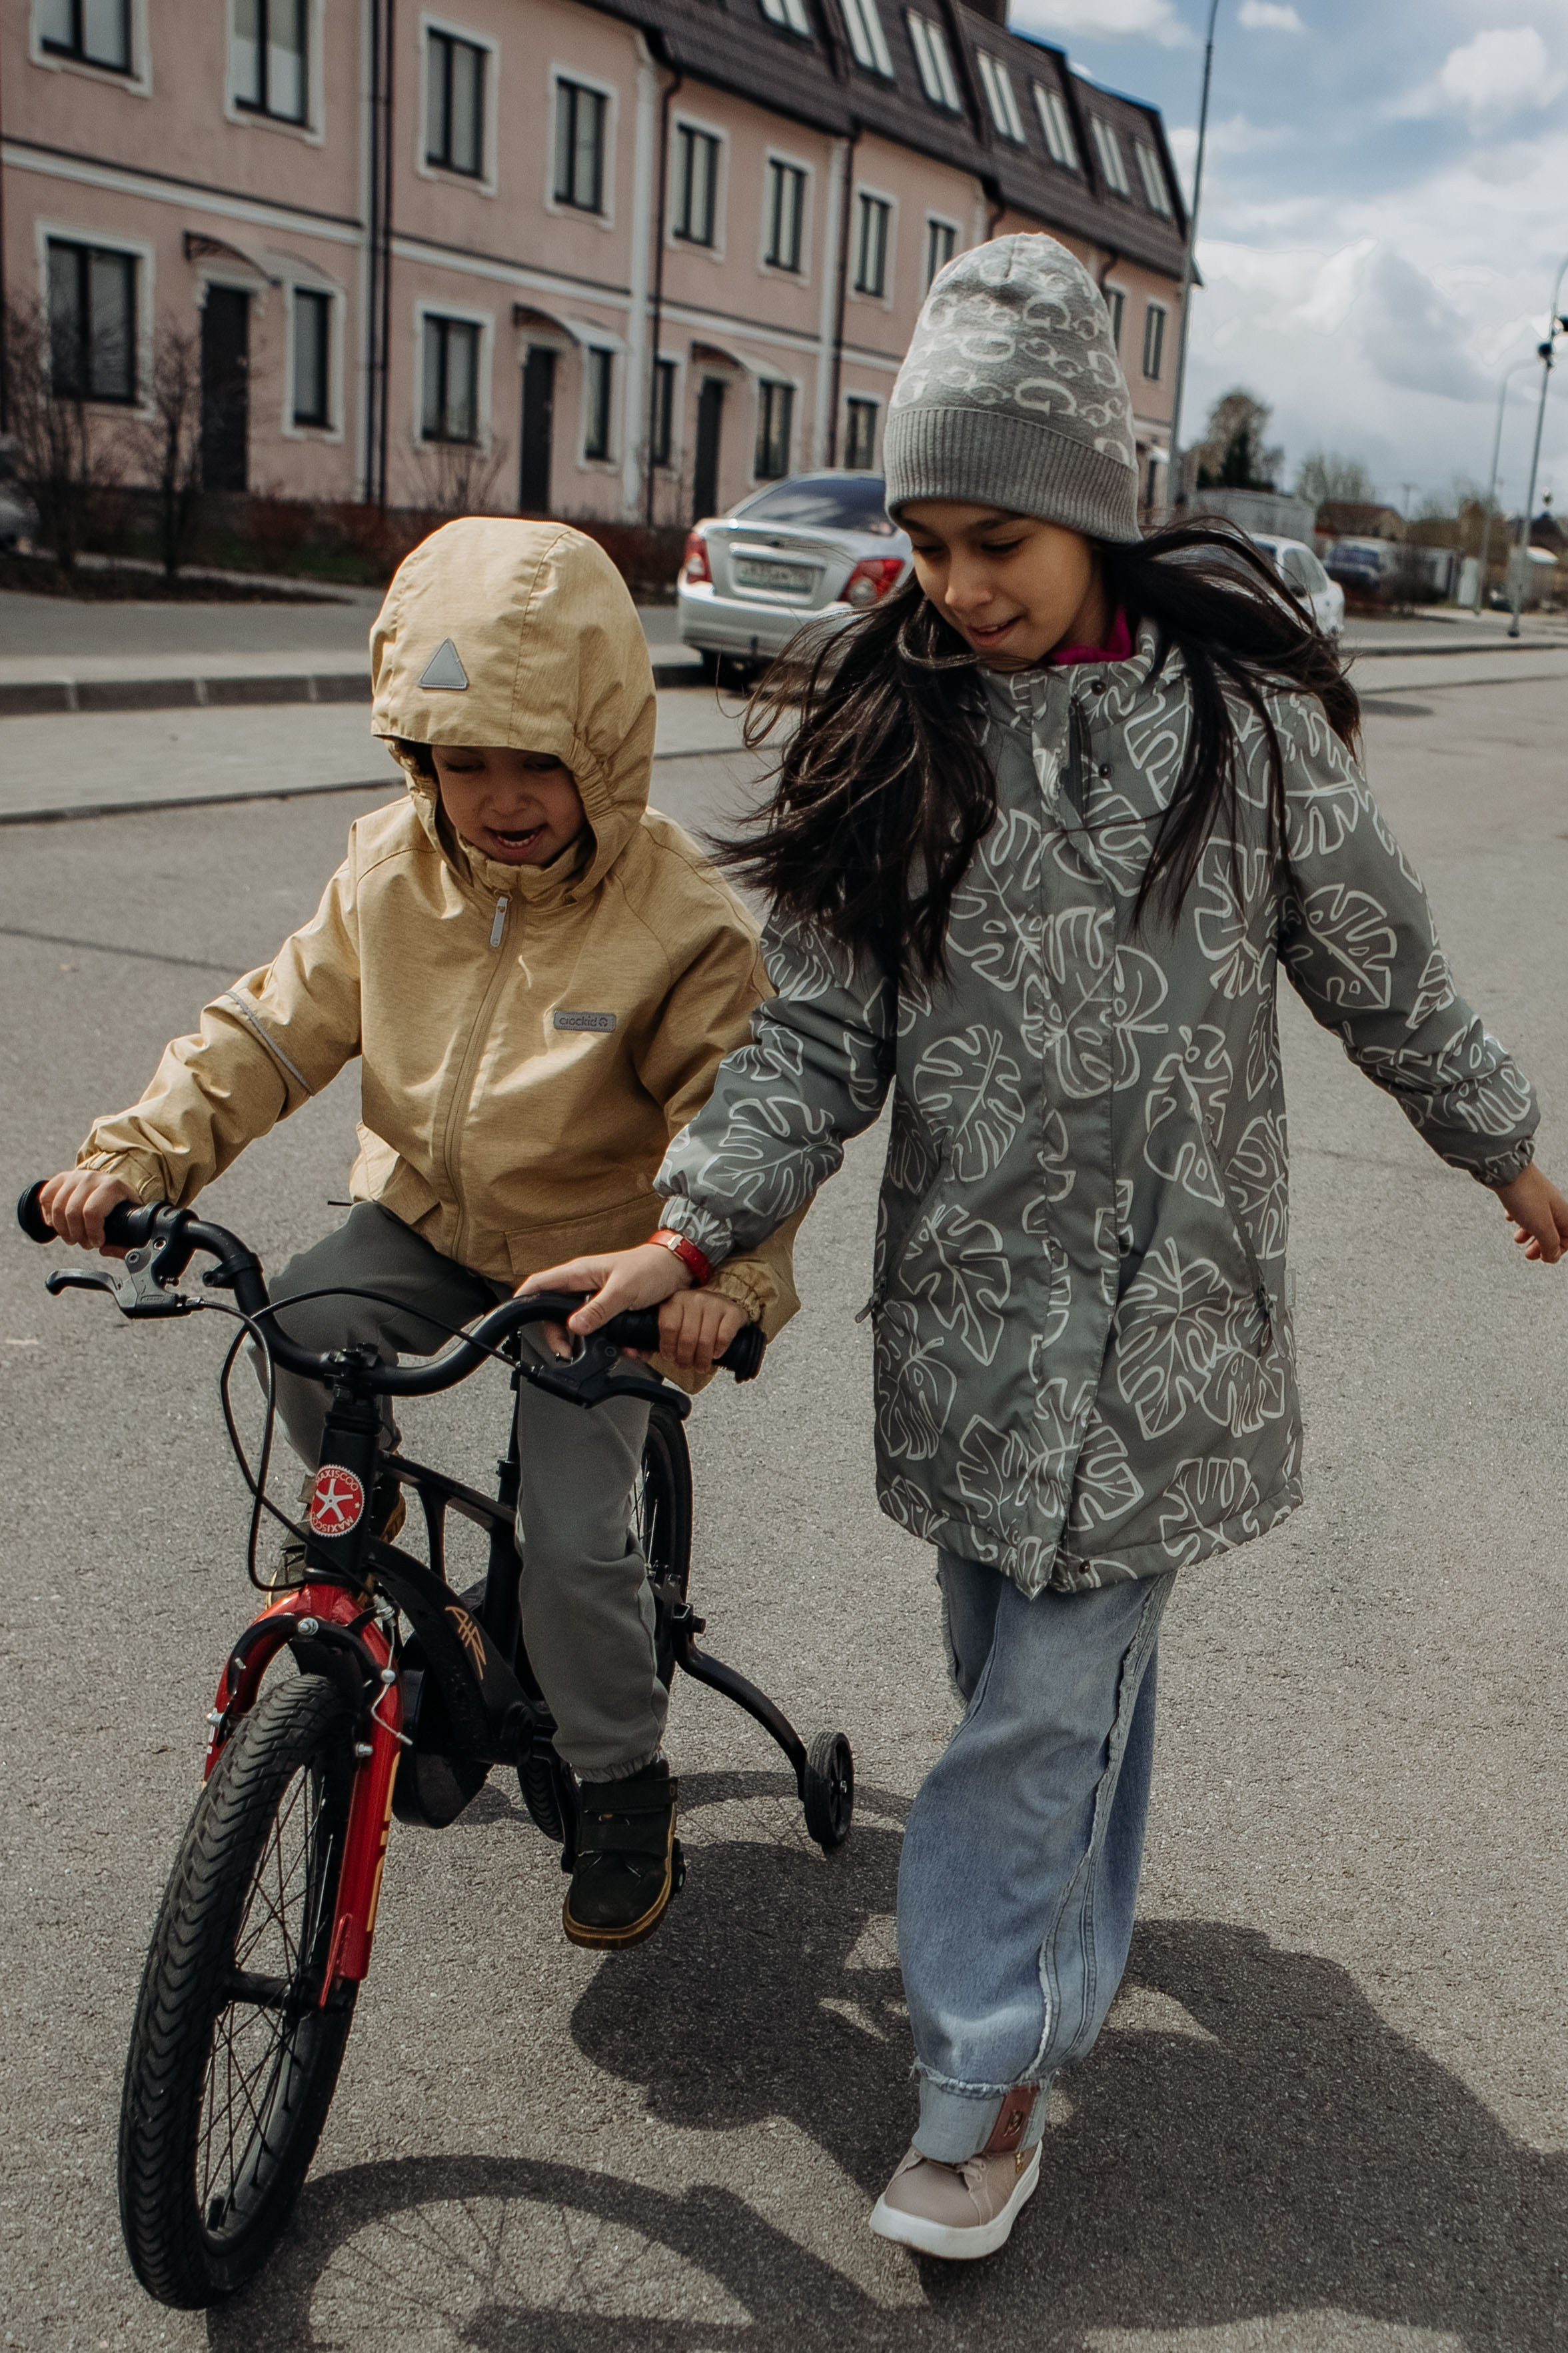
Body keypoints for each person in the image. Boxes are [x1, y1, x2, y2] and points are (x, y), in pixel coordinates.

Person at [520, 237, 1568, 2255]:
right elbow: (816, 1034)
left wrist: (1503, 1142)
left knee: (1024, 1721)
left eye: (995, 533)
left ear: (1092, 508)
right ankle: (1057, 1971)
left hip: (1172, 1337)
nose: (956, 580)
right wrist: (692, 1229)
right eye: (924, 538)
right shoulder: (904, 745)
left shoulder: (1245, 740)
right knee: (1031, 1674)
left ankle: (980, 2084)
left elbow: (1381, 964)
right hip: (975, 1322)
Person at [38, 517, 800, 1954]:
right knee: (294, 1324)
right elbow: (270, 1026)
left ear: (604, 750)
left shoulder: (682, 920)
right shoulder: (393, 867)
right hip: (428, 1219)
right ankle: (363, 1520)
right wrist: (135, 1153)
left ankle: (623, 1780)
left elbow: (741, 1118)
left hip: (602, 1268)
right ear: (415, 756)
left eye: (534, 762)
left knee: (576, 1541)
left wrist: (726, 1274)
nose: (499, 798)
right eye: (464, 761)